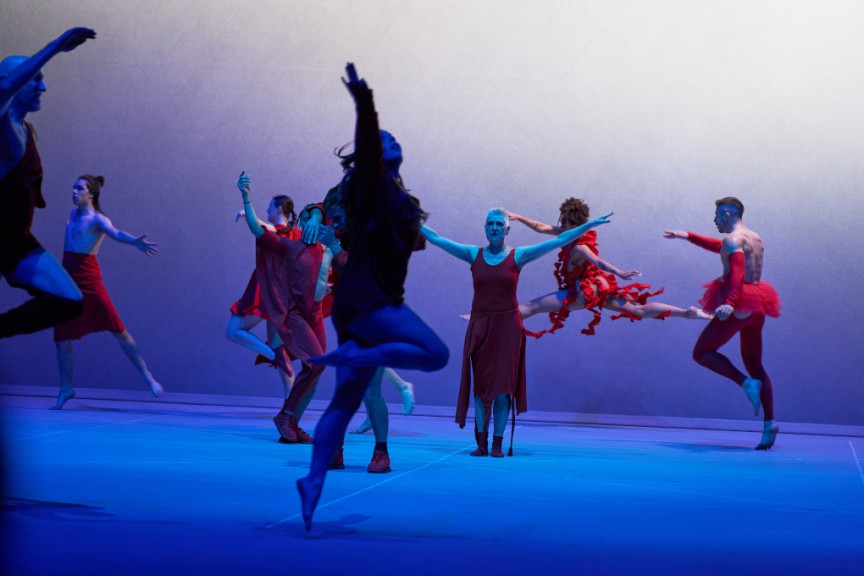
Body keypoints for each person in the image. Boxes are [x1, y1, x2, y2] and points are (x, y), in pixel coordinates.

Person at [295, 63, 448, 531]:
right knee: (436, 354)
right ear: (371, 159)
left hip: (364, 302)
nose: (392, 140)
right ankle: (354, 353)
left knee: (343, 404)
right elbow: (368, 147)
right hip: (372, 302)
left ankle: (313, 482)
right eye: (385, 141)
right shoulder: (376, 187)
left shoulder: (392, 195)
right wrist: (365, 102)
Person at [422, 207, 611, 457]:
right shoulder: (473, 254)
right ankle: (481, 443)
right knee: (480, 387)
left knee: (502, 388)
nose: (494, 228)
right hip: (480, 326)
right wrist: (407, 213)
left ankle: (497, 443)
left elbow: (559, 240)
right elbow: (436, 238)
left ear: (507, 229)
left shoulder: (518, 256)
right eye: (490, 224)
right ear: (485, 228)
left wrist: (591, 224)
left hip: (507, 327)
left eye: (499, 224)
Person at [0, 28, 96, 338]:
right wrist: (54, 47)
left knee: (68, 302)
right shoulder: (6, 130)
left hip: (14, 240)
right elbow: (2, 87)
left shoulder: (24, 130)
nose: (44, 86)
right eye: (35, 79)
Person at [665, 197, 780, 450]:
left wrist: (730, 301)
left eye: (716, 215)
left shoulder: (733, 239)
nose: (714, 220)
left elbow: (737, 273)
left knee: (702, 353)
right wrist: (688, 235)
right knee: (756, 365)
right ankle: (770, 423)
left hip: (739, 304)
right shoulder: (754, 237)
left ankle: (744, 383)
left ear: (727, 214)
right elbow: (721, 247)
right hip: (757, 306)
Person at [507, 198, 709, 338]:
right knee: (637, 310)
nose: (561, 227)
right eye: (563, 223)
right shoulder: (569, 234)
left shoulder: (579, 244)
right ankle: (686, 313)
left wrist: (619, 273)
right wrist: (519, 216)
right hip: (596, 285)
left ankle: (486, 320)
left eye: (566, 224)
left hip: (582, 291)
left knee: (533, 307)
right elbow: (541, 227)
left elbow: (598, 262)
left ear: (575, 225)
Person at [52, 175, 161, 409]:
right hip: (67, 281)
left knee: (118, 330)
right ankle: (66, 388)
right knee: (61, 338)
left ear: (90, 193)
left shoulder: (98, 220)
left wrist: (135, 242)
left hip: (89, 281)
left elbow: (116, 233)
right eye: (73, 187)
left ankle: (147, 377)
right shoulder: (72, 215)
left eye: (79, 188)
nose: (73, 191)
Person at [235, 172, 327, 445]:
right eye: (308, 217)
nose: (312, 223)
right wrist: (246, 197)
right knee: (314, 364)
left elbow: (332, 212)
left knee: (316, 369)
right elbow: (258, 229)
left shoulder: (327, 245)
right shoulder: (289, 245)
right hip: (296, 312)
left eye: (316, 218)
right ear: (301, 220)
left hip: (317, 313)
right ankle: (286, 416)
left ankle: (291, 422)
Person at [227, 195, 301, 398]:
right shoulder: (296, 234)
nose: (267, 210)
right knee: (277, 344)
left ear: (278, 209)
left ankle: (273, 355)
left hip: (265, 290)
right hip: (282, 294)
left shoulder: (275, 232)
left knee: (233, 330)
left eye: (270, 207)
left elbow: (265, 227)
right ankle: (290, 404)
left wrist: (247, 213)